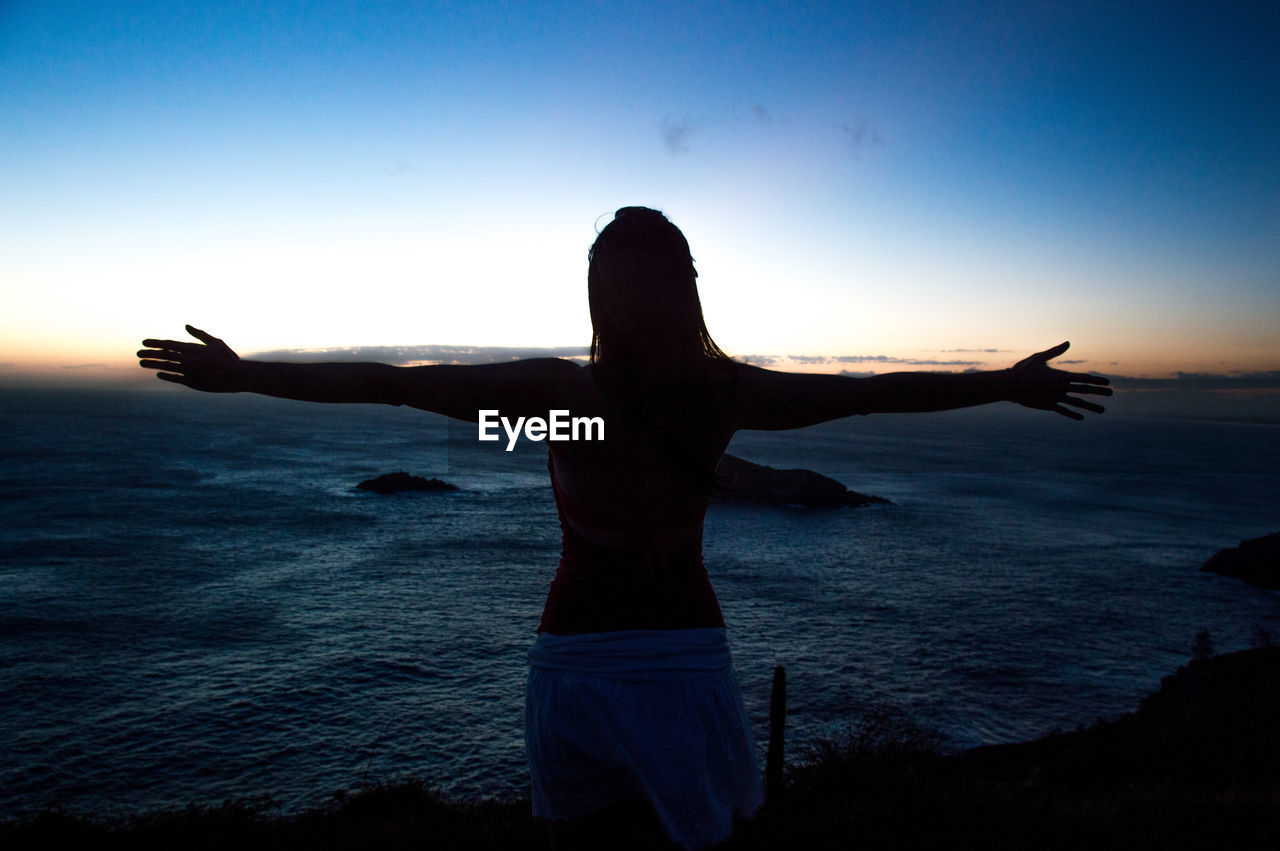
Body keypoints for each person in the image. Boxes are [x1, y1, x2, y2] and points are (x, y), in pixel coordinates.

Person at [138, 206, 1111, 849]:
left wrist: (245, 370)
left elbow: (390, 387)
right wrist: (1004, 384)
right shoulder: (722, 395)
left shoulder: (561, 394)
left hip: (572, 659)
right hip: (683, 655)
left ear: (598, 294)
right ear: (684, 288)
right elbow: (869, 398)